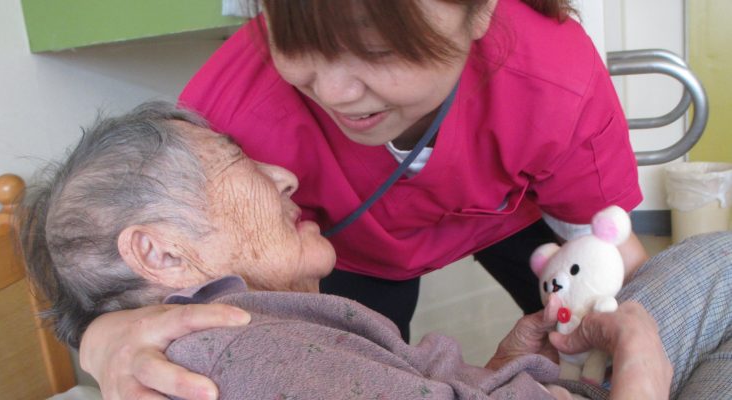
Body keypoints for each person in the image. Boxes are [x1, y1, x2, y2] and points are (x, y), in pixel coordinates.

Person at [80, 0, 652, 396]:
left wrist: (629, 337)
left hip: (507, 215)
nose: (335, 91)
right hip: (350, 249)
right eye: (295, 43)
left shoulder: (552, 79)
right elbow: (122, 270)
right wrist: (102, 338)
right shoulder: (228, 117)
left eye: (377, 50)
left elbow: (613, 254)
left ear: (480, 11)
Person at [23, 103, 730, 400]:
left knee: (705, 265)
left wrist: (500, 370)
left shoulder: (261, 338)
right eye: (237, 160)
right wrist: (642, 372)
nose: (283, 175)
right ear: (161, 254)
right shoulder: (252, 357)